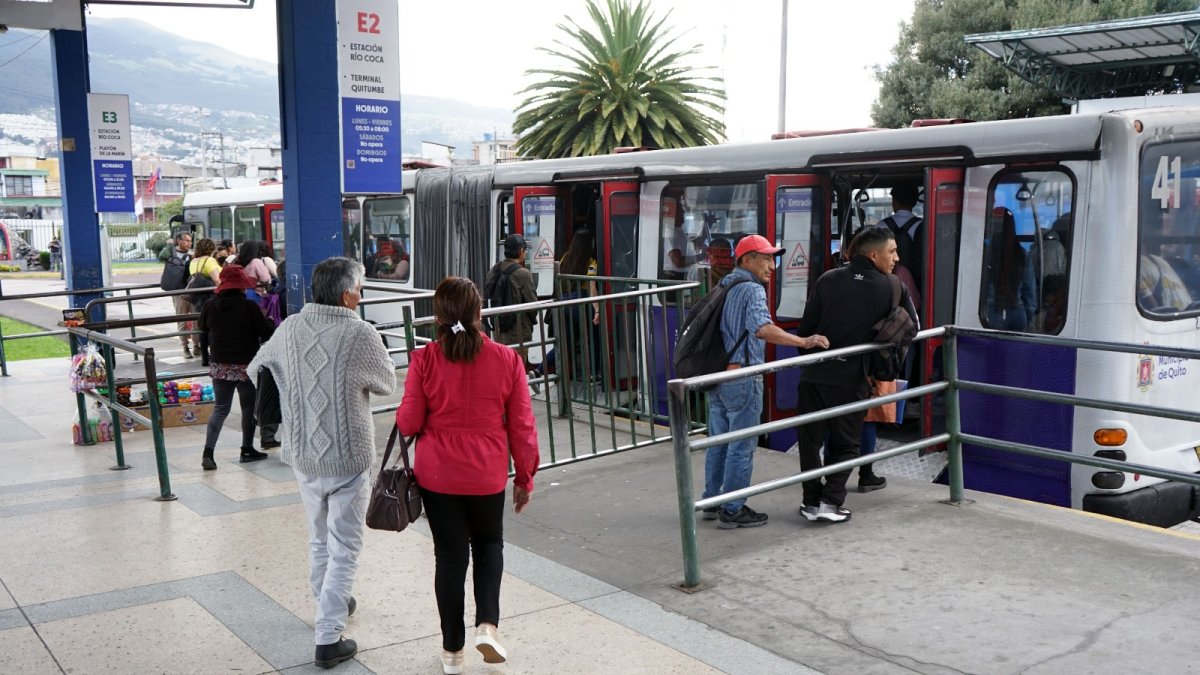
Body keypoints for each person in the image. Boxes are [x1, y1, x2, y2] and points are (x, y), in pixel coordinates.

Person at [247, 257, 397, 669]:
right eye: (361, 288)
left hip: (303, 456)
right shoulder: (360, 332)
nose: (362, 295)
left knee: (318, 537)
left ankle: (329, 601)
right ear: (348, 293)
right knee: (345, 545)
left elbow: (256, 364)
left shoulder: (291, 327)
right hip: (347, 457)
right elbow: (386, 383)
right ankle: (329, 636)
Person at [396, 276, 539, 675]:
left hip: (437, 476)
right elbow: (523, 426)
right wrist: (525, 477)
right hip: (487, 474)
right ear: (479, 313)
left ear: (437, 317)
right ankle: (488, 627)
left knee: (450, 557)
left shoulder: (424, 359)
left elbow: (409, 422)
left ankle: (452, 652)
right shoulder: (506, 359)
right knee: (490, 544)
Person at [702, 234, 829, 529]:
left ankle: (711, 500)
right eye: (766, 258)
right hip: (743, 376)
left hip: (719, 376)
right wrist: (803, 340)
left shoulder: (724, 284)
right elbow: (762, 328)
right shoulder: (752, 289)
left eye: (774, 258)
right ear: (747, 260)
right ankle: (733, 509)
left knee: (718, 442)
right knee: (742, 445)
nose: (773, 265)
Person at [796, 226, 915, 524]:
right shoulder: (892, 286)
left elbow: (806, 330)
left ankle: (810, 502)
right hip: (853, 377)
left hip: (814, 375)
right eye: (892, 251)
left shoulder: (827, 279)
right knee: (847, 442)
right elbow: (911, 326)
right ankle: (831, 502)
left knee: (811, 441)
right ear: (872, 254)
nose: (896, 258)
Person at [198, 264, 274, 471]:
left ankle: (208, 453)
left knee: (221, 408)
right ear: (241, 286)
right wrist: (268, 320)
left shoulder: (210, 305)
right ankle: (247, 449)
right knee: (249, 407)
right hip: (245, 365)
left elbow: (202, 328)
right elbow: (265, 333)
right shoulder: (249, 307)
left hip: (220, 363)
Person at [483, 234, 539, 368]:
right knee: (517, 369)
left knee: (504, 368)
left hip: (499, 329)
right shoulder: (523, 273)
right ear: (521, 251)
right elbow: (533, 305)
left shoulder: (494, 269)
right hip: (518, 332)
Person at [983, 207, 1037, 331]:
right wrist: (1030, 318)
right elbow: (1030, 292)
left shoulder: (986, 253)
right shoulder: (1022, 253)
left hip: (993, 312)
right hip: (1018, 313)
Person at [881, 185, 924, 294]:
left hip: (886, 284)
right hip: (917, 285)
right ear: (914, 202)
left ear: (895, 202)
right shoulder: (924, 226)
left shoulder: (881, 225)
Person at [188, 238, 223, 365]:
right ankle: (214, 355)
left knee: (203, 328)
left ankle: (205, 358)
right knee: (213, 327)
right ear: (210, 249)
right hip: (211, 298)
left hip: (198, 299)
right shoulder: (209, 260)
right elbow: (217, 280)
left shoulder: (194, 261)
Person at [163, 232, 196, 358]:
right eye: (187, 240)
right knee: (181, 319)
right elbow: (161, 255)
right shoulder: (170, 253)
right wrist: (168, 245)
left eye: (190, 241)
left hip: (192, 290)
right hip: (178, 290)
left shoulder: (192, 255)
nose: (189, 243)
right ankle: (185, 347)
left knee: (196, 319)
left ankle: (197, 345)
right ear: (179, 241)